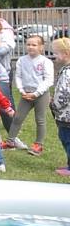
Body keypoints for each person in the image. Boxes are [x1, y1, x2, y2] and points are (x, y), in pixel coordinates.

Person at [4, 35, 54, 155]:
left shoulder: (46, 62)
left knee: (40, 120)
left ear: (41, 47)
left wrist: (36, 93)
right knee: (17, 118)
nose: (30, 47)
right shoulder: (22, 60)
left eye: (34, 45)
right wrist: (22, 91)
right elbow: (19, 76)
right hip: (26, 94)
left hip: (40, 95)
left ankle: (38, 145)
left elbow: (48, 80)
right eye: (28, 44)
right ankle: (10, 142)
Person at [50, 38, 70, 177]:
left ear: (66, 53)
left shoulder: (67, 72)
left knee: (66, 139)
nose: (54, 56)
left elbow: (64, 92)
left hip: (66, 115)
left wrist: (54, 105)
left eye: (56, 53)